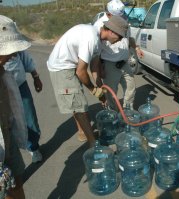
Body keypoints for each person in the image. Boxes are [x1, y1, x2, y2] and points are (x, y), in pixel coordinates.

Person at [47, 15, 128, 146]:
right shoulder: (91, 38)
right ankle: (93, 144)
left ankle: (84, 133)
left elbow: (94, 65)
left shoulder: (99, 40)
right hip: (62, 67)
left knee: (78, 103)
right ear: (112, 31)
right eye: (120, 37)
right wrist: (94, 90)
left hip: (71, 64)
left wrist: (99, 86)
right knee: (80, 106)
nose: (119, 41)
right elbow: (81, 71)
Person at [93, 0, 144, 111]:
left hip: (124, 63)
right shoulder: (99, 26)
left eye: (122, 15)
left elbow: (128, 38)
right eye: (118, 16)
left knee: (131, 88)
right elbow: (95, 53)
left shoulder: (123, 20)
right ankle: (113, 115)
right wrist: (99, 69)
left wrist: (136, 48)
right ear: (108, 14)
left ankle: (127, 111)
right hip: (109, 65)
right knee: (111, 93)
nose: (121, 18)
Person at [0, 15, 29, 199]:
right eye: (10, 50)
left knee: (16, 180)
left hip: (6, 135)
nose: (14, 54)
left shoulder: (2, 70)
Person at [3, 34, 43, 163]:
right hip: (3, 92)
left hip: (21, 86)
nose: (13, 55)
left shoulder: (15, 43)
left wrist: (36, 77)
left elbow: (26, 59)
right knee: (8, 125)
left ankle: (34, 148)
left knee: (30, 119)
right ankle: (9, 155)